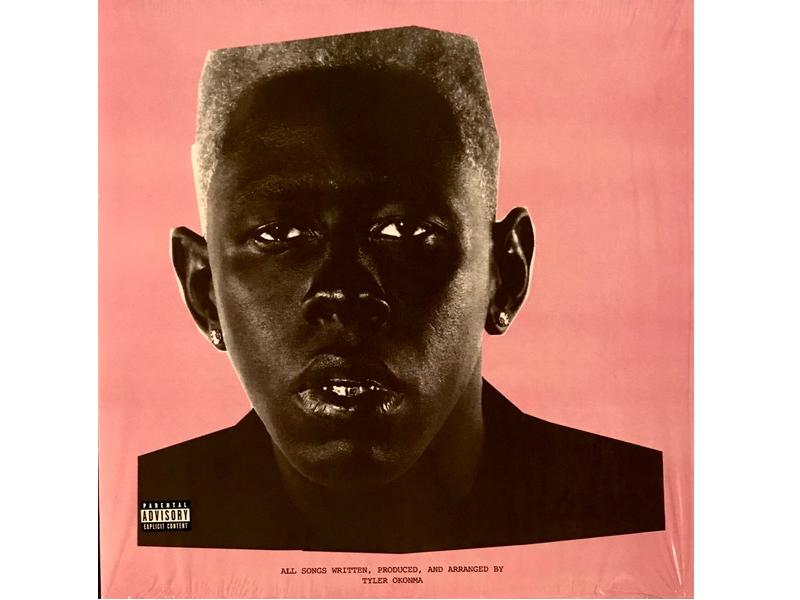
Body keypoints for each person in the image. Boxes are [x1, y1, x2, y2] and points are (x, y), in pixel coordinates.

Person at [138, 26, 664, 553]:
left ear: (505, 274)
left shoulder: (639, 512)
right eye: (280, 235)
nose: (342, 294)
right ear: (204, 289)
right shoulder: (139, 517)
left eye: (404, 231)